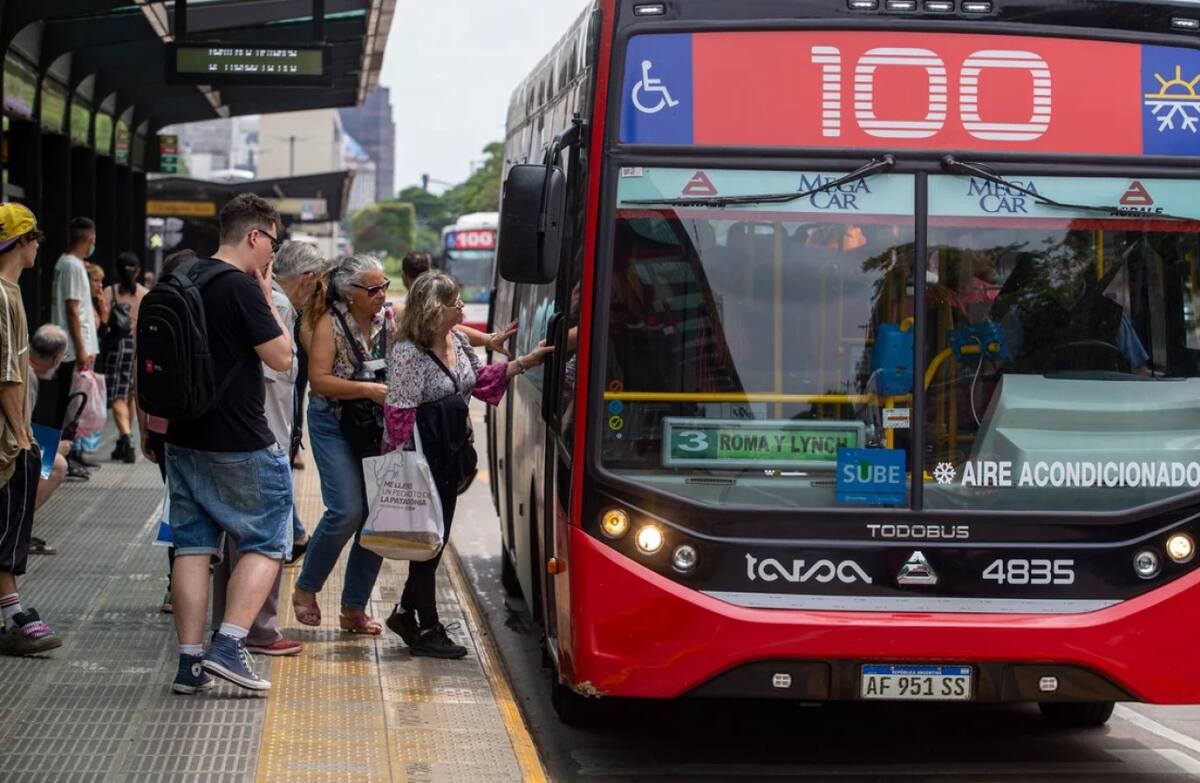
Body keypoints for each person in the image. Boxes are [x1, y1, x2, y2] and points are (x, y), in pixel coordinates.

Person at [163, 194, 293, 694]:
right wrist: (264, 296)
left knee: (193, 547)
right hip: (239, 439)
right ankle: (230, 643)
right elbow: (282, 358)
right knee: (267, 538)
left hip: (182, 438)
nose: (272, 258)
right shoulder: (241, 288)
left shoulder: (182, 277)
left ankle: (189, 663)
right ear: (255, 236)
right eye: (272, 245)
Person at [382, 273, 551, 657]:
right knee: (429, 546)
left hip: (451, 455)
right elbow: (398, 415)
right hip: (423, 461)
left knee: (434, 543)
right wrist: (404, 471)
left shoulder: (456, 340)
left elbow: (478, 380)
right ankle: (427, 628)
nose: (461, 306)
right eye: (454, 301)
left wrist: (525, 362)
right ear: (433, 309)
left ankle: (407, 614)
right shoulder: (409, 351)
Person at [208, 240, 326, 658]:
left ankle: (228, 624)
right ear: (309, 278)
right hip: (262, 438)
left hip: (236, 435)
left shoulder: (257, 298)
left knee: (233, 542)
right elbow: (279, 375)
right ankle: (257, 629)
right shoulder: (274, 305)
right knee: (265, 541)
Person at [291, 255, 396, 635]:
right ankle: (306, 588)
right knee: (347, 510)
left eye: (384, 285)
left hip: (374, 425)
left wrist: (490, 341)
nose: (382, 294)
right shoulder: (328, 324)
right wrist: (368, 389)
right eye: (373, 289)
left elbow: (440, 331)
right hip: (333, 421)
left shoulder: (389, 319)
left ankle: (353, 608)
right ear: (349, 293)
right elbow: (319, 381)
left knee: (377, 516)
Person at [0, 203, 62, 656]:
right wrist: (22, 434)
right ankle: (13, 614)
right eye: (35, 238)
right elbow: (6, 376)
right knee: (7, 524)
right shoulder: (4, 295)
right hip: (5, 437)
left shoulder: (11, 292)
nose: (39, 245)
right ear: (20, 242)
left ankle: (12, 609)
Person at [137, 248, 195, 615]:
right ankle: (198, 582)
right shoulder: (203, 304)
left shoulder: (152, 304)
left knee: (176, 504)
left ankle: (176, 586)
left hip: (161, 424)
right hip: (199, 425)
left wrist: (145, 425)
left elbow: (140, 370)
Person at [46, 217, 101, 478]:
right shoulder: (72, 266)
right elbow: (72, 308)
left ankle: (68, 454)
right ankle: (58, 458)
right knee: (66, 406)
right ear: (90, 239)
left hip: (69, 347)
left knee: (70, 405)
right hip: (69, 348)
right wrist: (81, 348)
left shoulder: (66, 263)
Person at [27, 325, 71, 555]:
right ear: (55, 359)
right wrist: (53, 448)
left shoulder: (19, 362)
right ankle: (16, 529)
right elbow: (19, 432)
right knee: (57, 465)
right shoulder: (28, 379)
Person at [100, 252, 148, 463]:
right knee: (130, 394)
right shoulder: (145, 294)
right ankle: (123, 438)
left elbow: (102, 321)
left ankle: (127, 439)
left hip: (117, 348)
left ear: (117, 272)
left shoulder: (109, 292)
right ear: (137, 271)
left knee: (118, 396)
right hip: (139, 347)